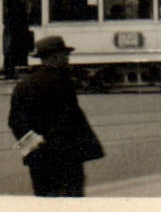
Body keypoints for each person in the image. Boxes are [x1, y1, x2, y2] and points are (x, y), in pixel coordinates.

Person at [8, 35, 105, 196]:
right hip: (66, 157)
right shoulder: (62, 82)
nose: (68, 60)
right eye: (65, 55)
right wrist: (85, 150)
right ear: (55, 57)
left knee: (45, 202)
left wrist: (32, 148)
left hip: (38, 158)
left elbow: (14, 122)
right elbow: (72, 120)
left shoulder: (24, 85)